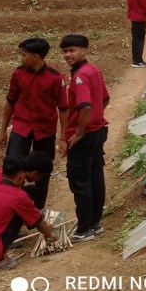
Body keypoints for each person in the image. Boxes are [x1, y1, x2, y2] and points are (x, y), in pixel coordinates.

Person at [0, 37, 67, 211]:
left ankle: (39, 209)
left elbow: (63, 109)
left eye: (24, 55)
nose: (22, 58)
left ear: (35, 56)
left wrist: (63, 138)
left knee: (42, 170)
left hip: (45, 130)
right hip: (21, 128)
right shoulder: (18, 73)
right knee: (12, 167)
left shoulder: (56, 78)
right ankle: (11, 207)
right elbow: (10, 102)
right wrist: (3, 130)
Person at [58, 35, 109, 243]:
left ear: (84, 50)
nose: (68, 55)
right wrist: (96, 116)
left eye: (72, 50)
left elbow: (85, 105)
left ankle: (84, 228)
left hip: (85, 136)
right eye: (65, 51)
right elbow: (105, 98)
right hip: (98, 131)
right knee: (95, 176)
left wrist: (78, 132)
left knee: (80, 181)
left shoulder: (79, 77)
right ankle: (95, 223)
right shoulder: (94, 70)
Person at [0, 156, 58, 269]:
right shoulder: (19, 196)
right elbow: (39, 224)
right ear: (21, 175)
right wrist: (49, 234)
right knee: (20, 214)